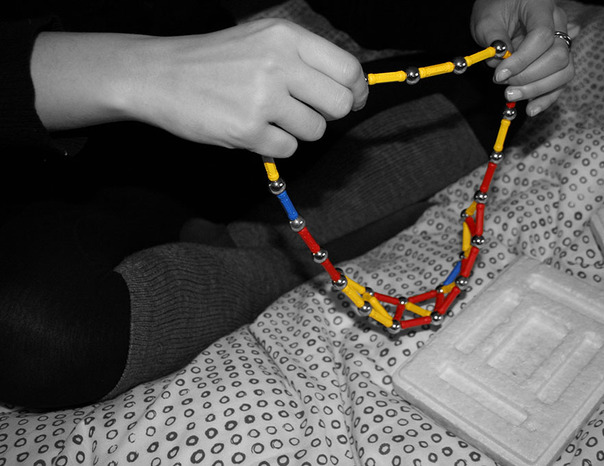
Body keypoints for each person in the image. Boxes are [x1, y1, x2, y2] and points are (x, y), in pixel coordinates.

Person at [0, 0, 574, 409]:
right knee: (39, 335)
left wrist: (478, 6)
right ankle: (283, 257)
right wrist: (134, 71)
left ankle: (252, 236)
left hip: (229, 112)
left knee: (499, 87)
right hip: (40, 174)